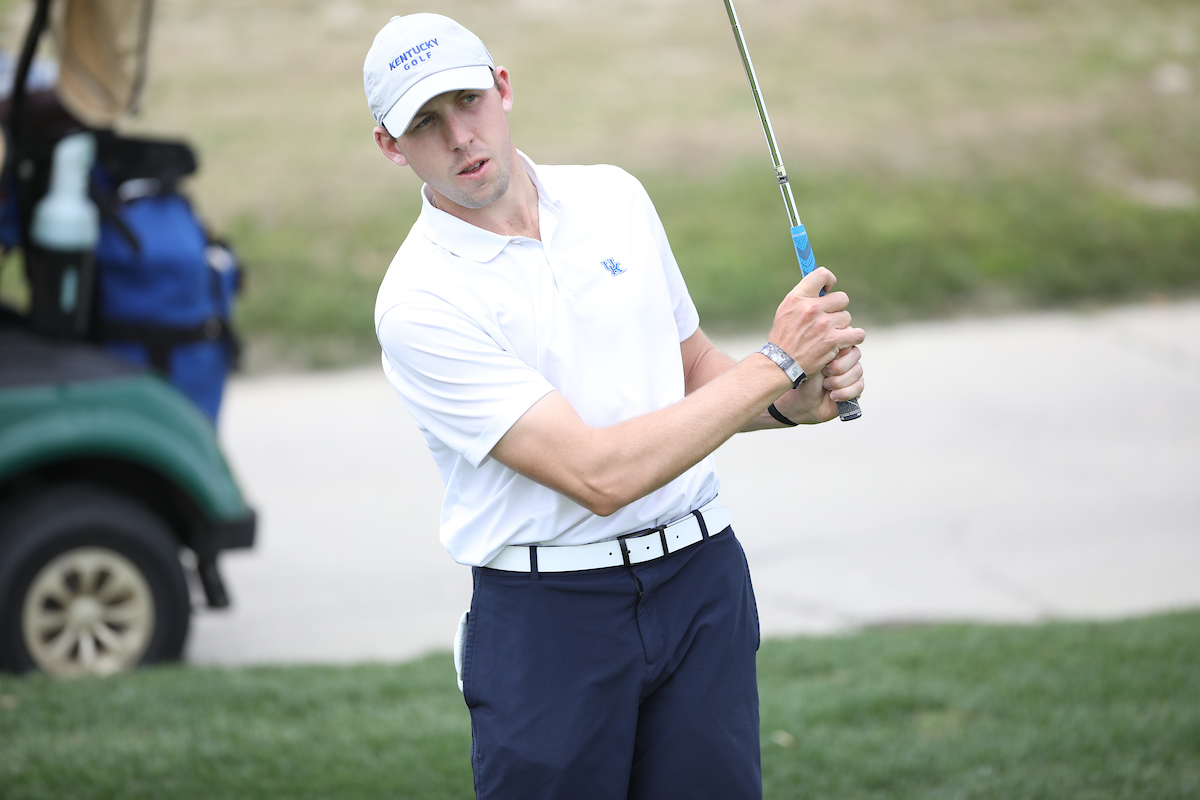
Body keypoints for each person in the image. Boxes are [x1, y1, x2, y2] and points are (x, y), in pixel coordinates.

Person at [364, 13, 865, 799]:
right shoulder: (419, 301)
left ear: (503, 88)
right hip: (549, 616)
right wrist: (774, 364)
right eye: (424, 124)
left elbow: (694, 370)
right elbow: (596, 475)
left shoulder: (615, 198)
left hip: (701, 581)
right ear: (391, 145)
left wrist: (790, 402)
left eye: (466, 101)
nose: (459, 136)